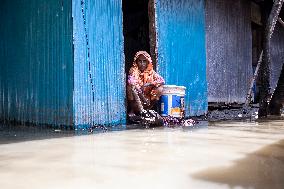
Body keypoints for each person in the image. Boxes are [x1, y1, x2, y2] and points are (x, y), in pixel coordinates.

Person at [127, 51, 165, 120]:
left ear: (148, 62)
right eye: (140, 61)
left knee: (160, 88)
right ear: (136, 62)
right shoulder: (133, 71)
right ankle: (133, 110)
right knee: (131, 87)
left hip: (147, 101)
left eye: (144, 61)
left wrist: (149, 84)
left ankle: (148, 110)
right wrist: (143, 98)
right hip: (137, 101)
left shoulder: (151, 72)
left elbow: (161, 81)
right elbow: (132, 82)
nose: (142, 64)